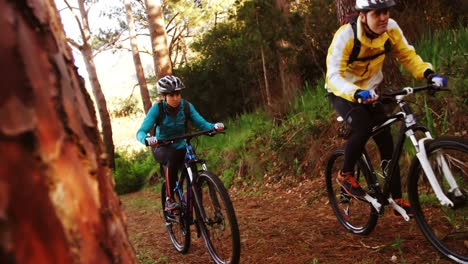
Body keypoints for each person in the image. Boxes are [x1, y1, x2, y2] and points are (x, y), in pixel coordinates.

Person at [325, 0, 447, 216]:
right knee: (363, 127)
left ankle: (395, 196)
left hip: (371, 91)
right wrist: (355, 93)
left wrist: (429, 74)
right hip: (343, 92)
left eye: (386, 12)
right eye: (377, 13)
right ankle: (345, 174)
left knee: (386, 140)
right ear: (363, 15)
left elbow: (407, 55)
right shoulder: (346, 36)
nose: (383, 18)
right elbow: (333, 75)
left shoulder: (390, 28)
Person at [136, 75, 224, 211]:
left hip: (181, 146)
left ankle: (198, 205)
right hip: (162, 147)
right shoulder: (157, 109)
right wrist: (147, 139)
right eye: (171, 95)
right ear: (164, 96)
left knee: (193, 163)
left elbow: (202, 123)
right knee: (172, 157)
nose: (176, 98)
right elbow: (141, 131)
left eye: (178, 94)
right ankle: (169, 199)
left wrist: (213, 127)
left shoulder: (187, 106)